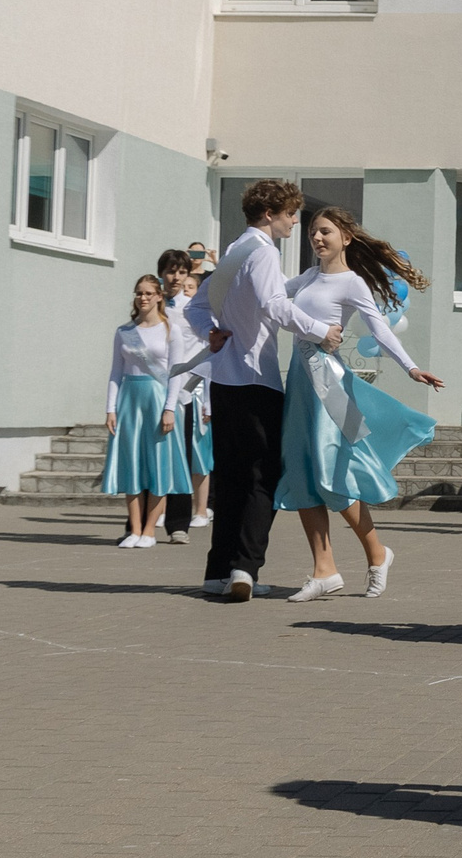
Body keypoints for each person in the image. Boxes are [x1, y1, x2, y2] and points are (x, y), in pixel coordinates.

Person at [273, 207, 445, 601]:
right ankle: (324, 571)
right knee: (302, 472)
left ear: (346, 238)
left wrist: (411, 367)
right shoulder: (309, 276)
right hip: (300, 383)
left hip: (328, 385)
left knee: (335, 475)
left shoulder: (352, 283)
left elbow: (379, 329)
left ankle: (377, 553)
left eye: (325, 232)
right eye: (314, 232)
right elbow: (272, 297)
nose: (317, 238)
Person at [187, 182, 343, 600]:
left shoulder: (236, 250)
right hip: (258, 379)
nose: (297, 220)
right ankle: (245, 567)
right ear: (272, 212)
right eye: (293, 213)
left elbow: (194, 307)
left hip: (224, 379)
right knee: (263, 477)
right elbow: (275, 305)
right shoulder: (264, 252)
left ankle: (217, 571)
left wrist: (211, 332)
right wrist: (321, 330)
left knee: (232, 476)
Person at [102, 275, 191, 547]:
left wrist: (169, 409)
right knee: (132, 463)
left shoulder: (170, 330)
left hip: (157, 398)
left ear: (159, 296)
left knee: (158, 464)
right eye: (139, 293)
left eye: (149, 293)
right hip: (130, 400)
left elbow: (176, 373)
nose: (143, 298)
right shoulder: (124, 332)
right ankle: (135, 530)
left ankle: (150, 531)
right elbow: (116, 372)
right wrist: (111, 408)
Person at [155, 250, 212, 538]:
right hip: (152, 389)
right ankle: (147, 518)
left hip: (185, 391)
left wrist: (205, 392)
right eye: (170, 271)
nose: (175, 277)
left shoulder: (194, 308)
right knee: (151, 454)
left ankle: (179, 522)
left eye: (180, 272)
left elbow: (211, 347)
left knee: (182, 456)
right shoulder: (152, 304)